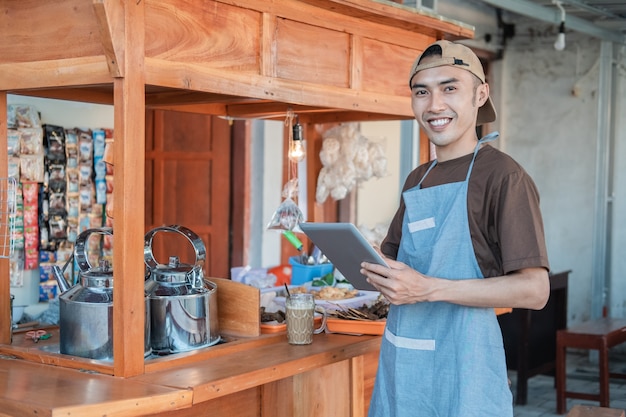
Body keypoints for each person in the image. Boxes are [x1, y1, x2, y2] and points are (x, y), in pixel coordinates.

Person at [360, 40, 551, 417]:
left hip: (465, 370)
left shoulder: (503, 176)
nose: (434, 105)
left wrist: (430, 288)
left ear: (481, 94)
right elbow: (394, 262)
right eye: (422, 92)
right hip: (405, 366)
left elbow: (535, 289)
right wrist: (361, 259)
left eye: (449, 88)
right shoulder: (418, 178)